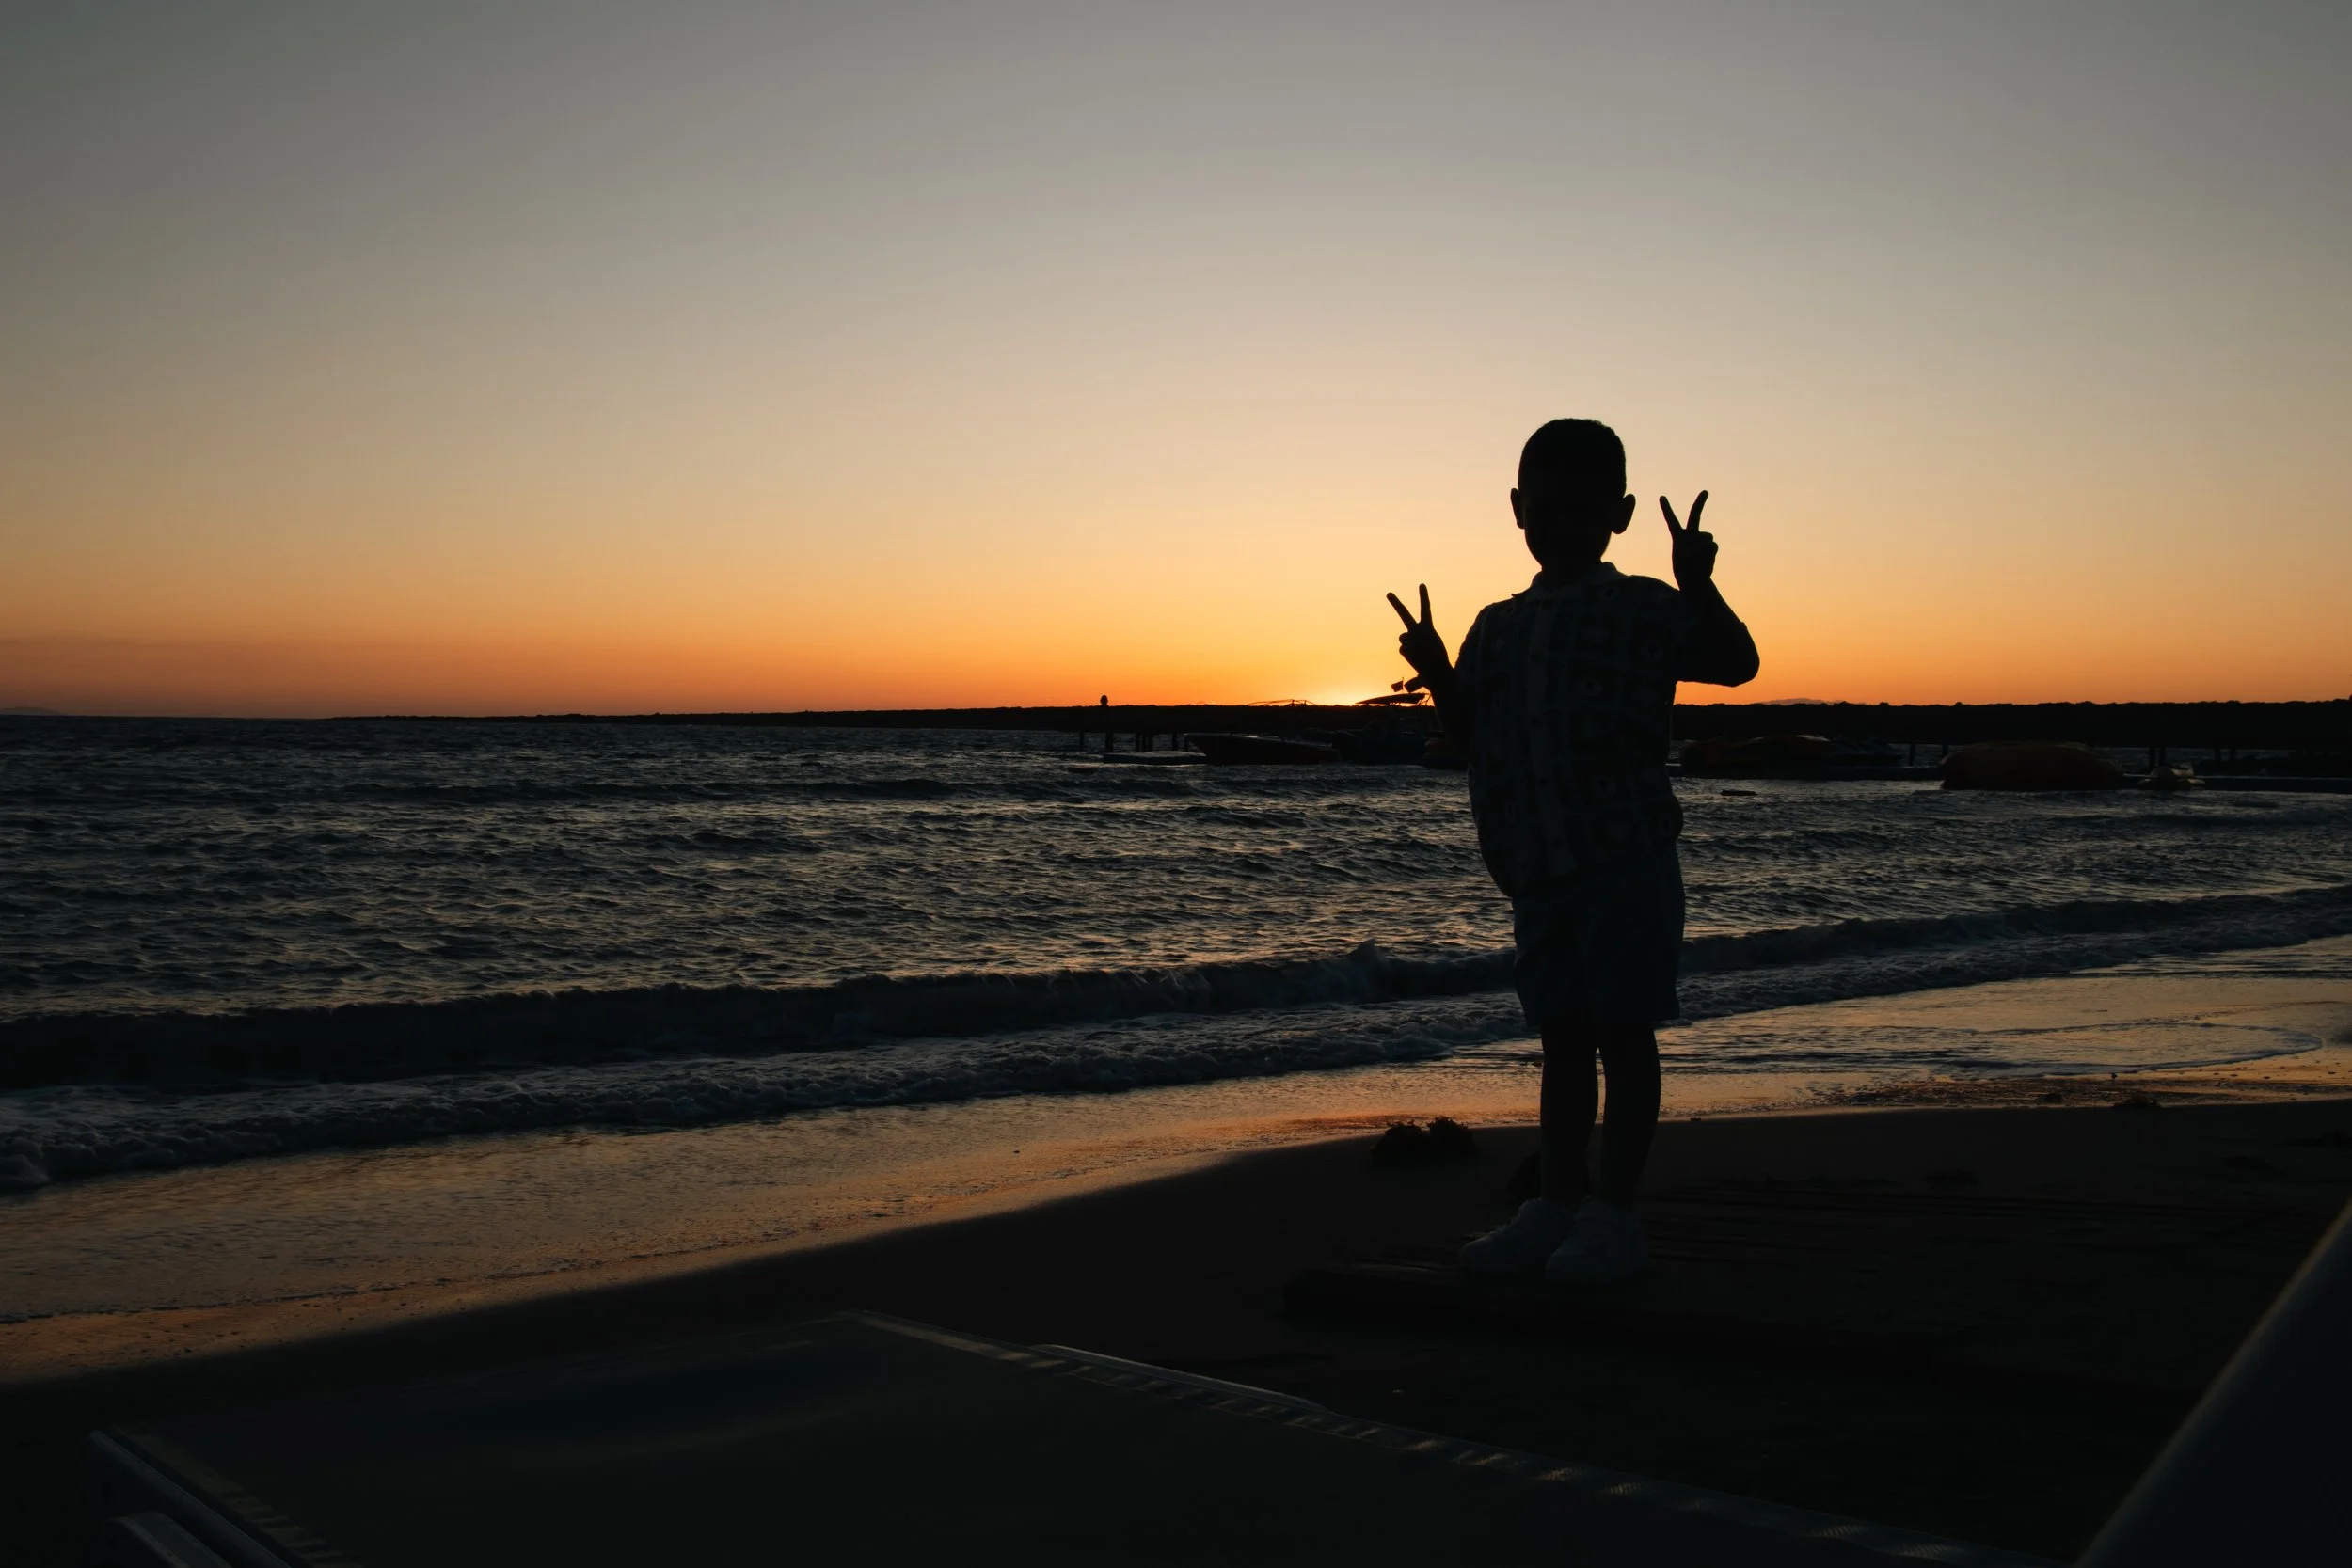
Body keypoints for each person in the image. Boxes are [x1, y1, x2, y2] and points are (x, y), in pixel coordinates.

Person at [1388, 418, 1757, 1284]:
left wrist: (1697, 583)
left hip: (1626, 861)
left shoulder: (1644, 608)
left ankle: (1613, 1214)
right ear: (1517, 509)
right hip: (1538, 869)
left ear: (1619, 513)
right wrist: (1439, 668)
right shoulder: (1496, 626)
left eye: (1579, 508)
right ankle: (1555, 1201)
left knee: (1624, 1038)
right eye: (1542, 507)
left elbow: (1736, 663)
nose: (1557, 523)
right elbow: (1473, 736)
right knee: (1561, 1039)